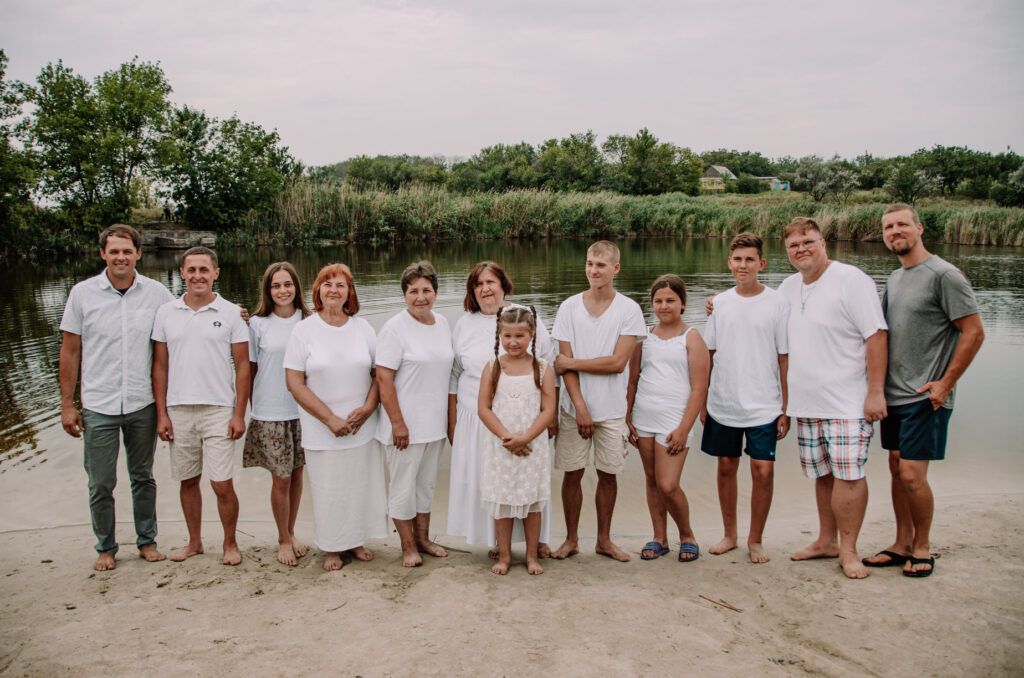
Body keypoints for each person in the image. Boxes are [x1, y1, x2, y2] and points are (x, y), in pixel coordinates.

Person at [862, 204, 984, 577]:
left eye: (902, 225)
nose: (895, 231)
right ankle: (901, 543)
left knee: (913, 474)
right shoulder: (896, 279)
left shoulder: (944, 275)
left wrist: (946, 383)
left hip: (926, 394)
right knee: (897, 469)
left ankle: (923, 546)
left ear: (919, 228)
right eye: (888, 227)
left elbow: (974, 331)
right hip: (895, 394)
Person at [777, 218, 888, 579]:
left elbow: (876, 335)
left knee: (850, 476)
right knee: (823, 476)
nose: (801, 250)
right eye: (794, 246)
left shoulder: (851, 280)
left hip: (847, 401)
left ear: (823, 243)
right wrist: (719, 303)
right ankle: (826, 541)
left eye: (808, 242)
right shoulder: (788, 288)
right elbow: (766, 323)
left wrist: (875, 392)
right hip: (806, 403)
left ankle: (850, 549)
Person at [59, 224, 174, 571]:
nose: (120, 257)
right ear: (103, 255)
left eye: (127, 251)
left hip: (142, 402)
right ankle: (106, 547)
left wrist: (236, 315)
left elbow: (185, 320)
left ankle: (147, 541)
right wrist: (67, 404)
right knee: (100, 482)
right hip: (99, 404)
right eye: (114, 251)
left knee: (143, 476)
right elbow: (70, 352)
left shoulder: (156, 294)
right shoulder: (82, 294)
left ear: (138, 253)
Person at [447, 261, 557, 556]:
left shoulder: (524, 316)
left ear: (503, 284)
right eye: (478, 284)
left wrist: (552, 418)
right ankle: (497, 542)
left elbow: (548, 363)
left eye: (490, 282)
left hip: (527, 417)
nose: (485, 288)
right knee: (491, 481)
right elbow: (455, 375)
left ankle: (537, 542)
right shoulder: (464, 323)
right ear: (473, 290)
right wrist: (452, 419)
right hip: (477, 417)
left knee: (529, 479)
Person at [283, 263, 386, 571]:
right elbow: (294, 382)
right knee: (329, 488)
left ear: (349, 293)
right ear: (318, 291)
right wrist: (329, 418)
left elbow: (379, 375)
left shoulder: (363, 328)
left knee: (357, 486)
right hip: (320, 426)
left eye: (340, 285)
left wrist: (367, 410)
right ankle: (331, 546)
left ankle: (354, 541)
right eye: (327, 285)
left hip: (360, 426)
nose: (333, 290)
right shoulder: (304, 330)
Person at [152, 246, 250, 566]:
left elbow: (243, 366)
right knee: (188, 479)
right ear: (182, 273)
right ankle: (194, 542)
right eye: (191, 270)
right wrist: (162, 414)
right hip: (179, 409)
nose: (198, 276)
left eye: (204, 270)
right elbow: (160, 366)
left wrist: (239, 413)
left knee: (221, 482)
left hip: (219, 409)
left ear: (215, 273)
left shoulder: (231, 313)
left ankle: (230, 543)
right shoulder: (166, 313)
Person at [551, 240, 647, 561]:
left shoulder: (629, 309)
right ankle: (571, 539)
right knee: (572, 474)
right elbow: (561, 364)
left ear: (615, 269)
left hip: (611, 410)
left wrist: (573, 362)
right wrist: (580, 407)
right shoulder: (568, 307)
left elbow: (618, 363)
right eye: (590, 263)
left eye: (601, 265)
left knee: (608, 474)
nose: (594, 270)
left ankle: (604, 540)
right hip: (573, 408)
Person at [701, 233, 790, 564]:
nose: (743, 265)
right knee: (726, 467)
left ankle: (755, 539)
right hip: (724, 402)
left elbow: (784, 357)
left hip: (765, 404)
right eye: (737, 259)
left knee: (763, 471)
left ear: (761, 264)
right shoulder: (720, 302)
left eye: (750, 259)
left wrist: (786, 407)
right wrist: (702, 401)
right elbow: (709, 354)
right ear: (729, 263)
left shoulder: (778, 303)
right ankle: (730, 534)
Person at [375, 261, 454, 568]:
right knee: (403, 487)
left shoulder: (443, 323)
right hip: (404, 426)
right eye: (413, 291)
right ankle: (407, 546)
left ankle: (424, 538)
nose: (420, 297)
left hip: (434, 425)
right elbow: (384, 379)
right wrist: (397, 423)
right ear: (404, 294)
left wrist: (450, 421)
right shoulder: (395, 328)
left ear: (435, 291)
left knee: (426, 486)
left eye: (426, 290)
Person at [626, 275, 709, 563]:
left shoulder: (692, 338)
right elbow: (633, 380)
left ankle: (687, 535)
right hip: (644, 417)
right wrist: (627, 417)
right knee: (651, 480)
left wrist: (685, 427)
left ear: (683, 303)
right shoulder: (643, 338)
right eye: (659, 301)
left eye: (670, 300)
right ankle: (659, 538)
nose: (664, 306)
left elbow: (700, 387)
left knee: (668, 484)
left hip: (675, 420)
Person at [478, 306, 557, 575]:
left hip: (533, 446)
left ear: (532, 335)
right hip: (501, 446)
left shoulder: (542, 368)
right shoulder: (493, 367)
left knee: (532, 501)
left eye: (520, 336)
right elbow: (484, 408)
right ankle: (504, 556)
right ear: (499, 334)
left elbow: (548, 409)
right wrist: (507, 437)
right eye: (507, 335)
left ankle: (532, 556)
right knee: (503, 501)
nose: (513, 342)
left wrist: (525, 438)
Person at [243, 262, 310, 567]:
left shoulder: (310, 321)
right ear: (268, 290)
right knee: (280, 478)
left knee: (297, 474)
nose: (282, 291)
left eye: (287, 284)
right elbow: (250, 369)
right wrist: (244, 409)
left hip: (304, 411)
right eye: (276, 286)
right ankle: (282, 538)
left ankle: (292, 531)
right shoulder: (257, 323)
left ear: (297, 287)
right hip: (270, 410)